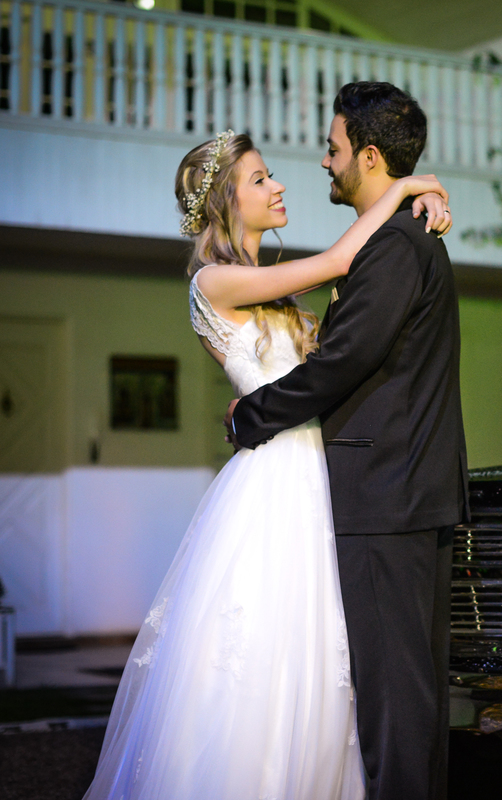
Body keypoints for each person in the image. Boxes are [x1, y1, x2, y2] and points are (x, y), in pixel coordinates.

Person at [81, 129, 452, 800]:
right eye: (259, 179)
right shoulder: (213, 282)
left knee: (321, 663)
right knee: (263, 662)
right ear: (227, 202)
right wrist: (406, 187)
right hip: (274, 491)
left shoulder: (274, 297)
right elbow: (343, 257)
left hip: (320, 481)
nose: (277, 185)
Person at [225, 82, 468, 800]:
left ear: (367, 156)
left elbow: (343, 362)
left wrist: (252, 416)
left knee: (396, 707)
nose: (323, 162)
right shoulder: (406, 235)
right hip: (409, 492)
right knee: (410, 704)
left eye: (333, 150)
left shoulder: (393, 246)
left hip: (386, 497)